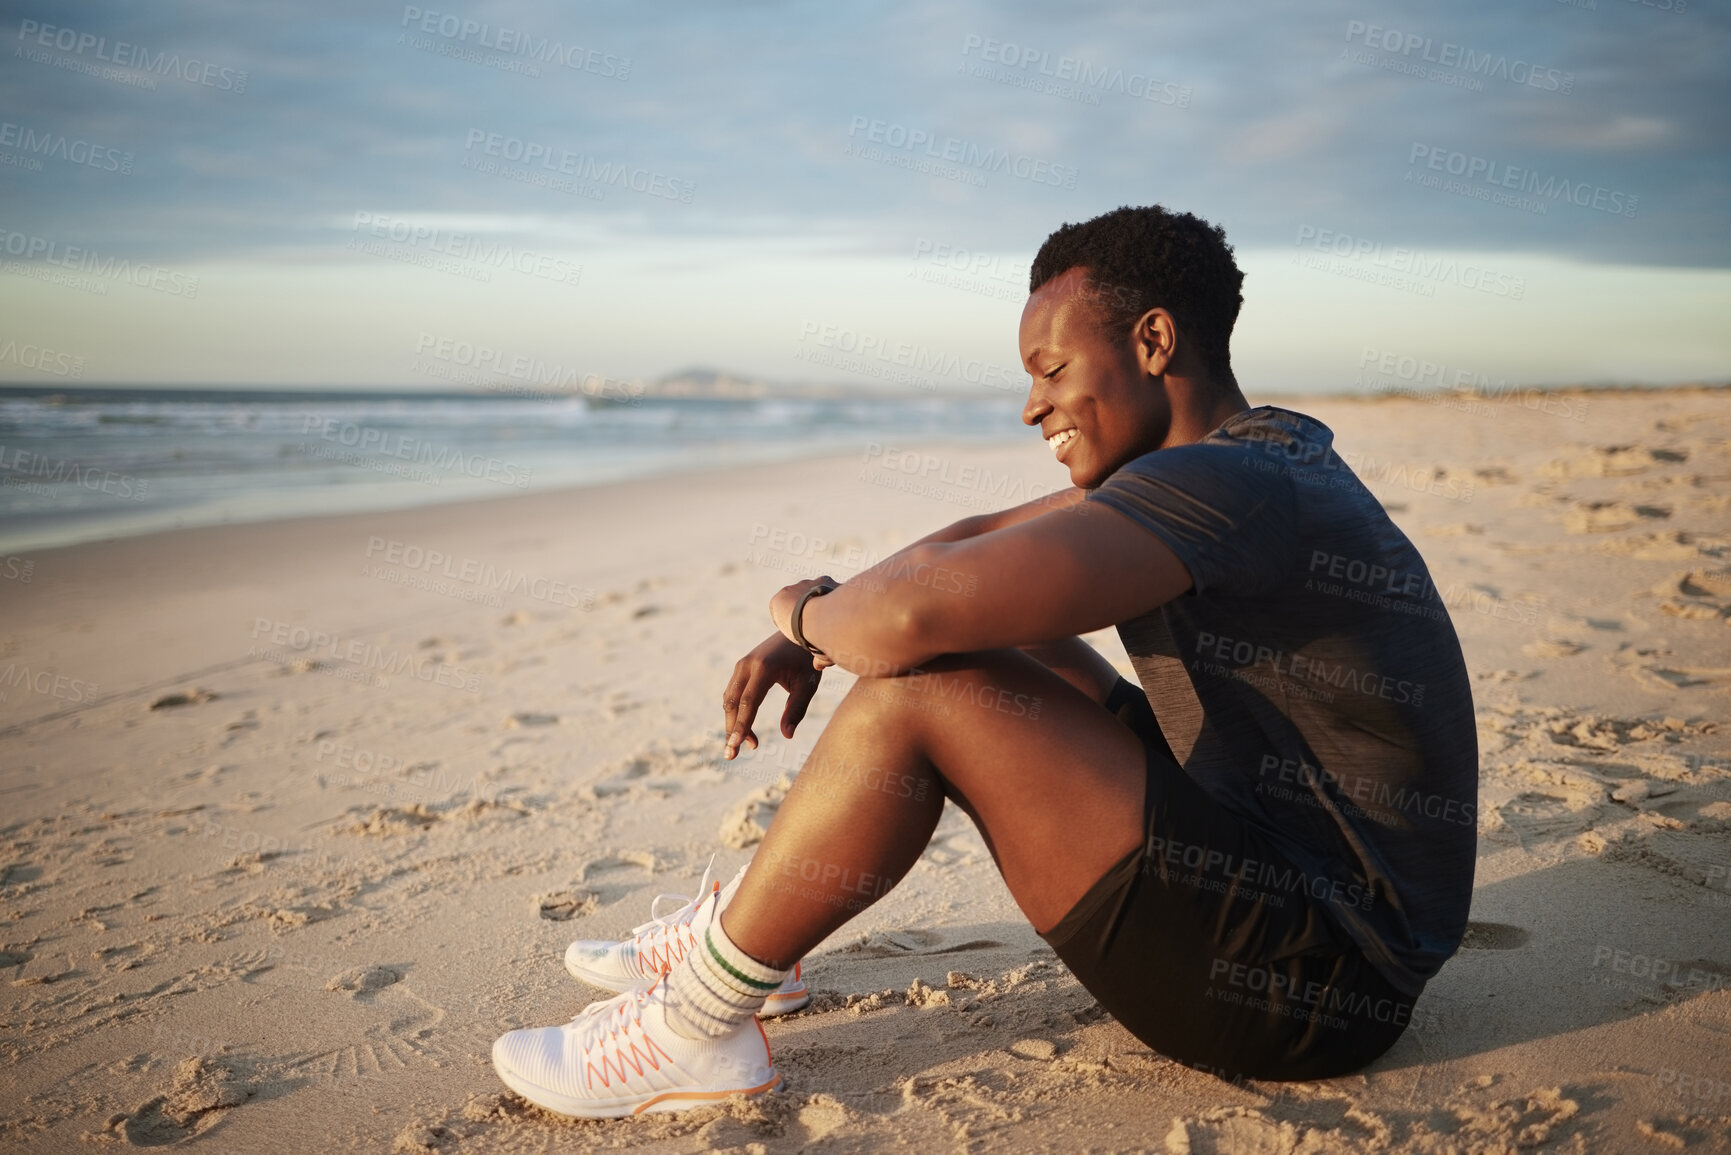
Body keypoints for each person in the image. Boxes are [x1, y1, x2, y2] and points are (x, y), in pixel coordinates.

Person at [491, 205, 1478, 1117]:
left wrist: (798, 613)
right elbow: (957, 555)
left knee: (921, 692)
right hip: (1287, 882)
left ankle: (696, 1025)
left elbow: (913, 616)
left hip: (1320, 985)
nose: (1030, 406)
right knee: (982, 630)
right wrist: (827, 614)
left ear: (1153, 341)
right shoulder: (1245, 461)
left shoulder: (1229, 484)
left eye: (1051, 370)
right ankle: (760, 939)